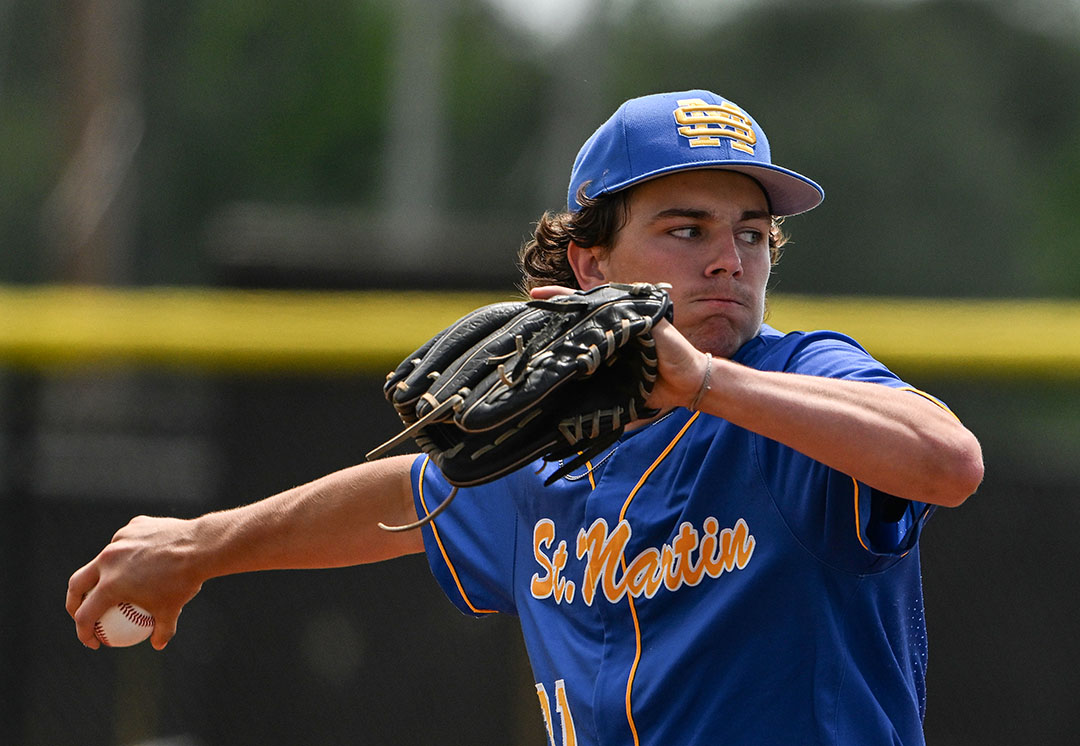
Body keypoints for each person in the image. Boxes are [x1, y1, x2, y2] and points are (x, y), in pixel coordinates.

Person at [67, 89, 983, 745]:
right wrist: (203, 545)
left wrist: (705, 383)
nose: (729, 261)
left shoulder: (803, 381)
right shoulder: (550, 443)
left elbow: (948, 461)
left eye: (751, 233)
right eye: (687, 228)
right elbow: (405, 497)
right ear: (590, 265)